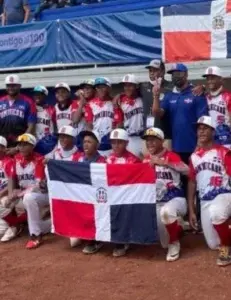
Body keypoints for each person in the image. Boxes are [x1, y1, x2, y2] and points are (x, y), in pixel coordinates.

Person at [188, 116, 231, 266]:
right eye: (199, 128)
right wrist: (192, 210)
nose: (201, 131)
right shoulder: (194, 157)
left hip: (223, 194)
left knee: (217, 214)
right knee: (213, 244)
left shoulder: (223, 152)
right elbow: (192, 183)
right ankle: (226, 237)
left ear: (213, 131)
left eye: (205, 128)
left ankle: (226, 249)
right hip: (205, 200)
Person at [142, 127, 189, 261]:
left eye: (153, 140)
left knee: (166, 213)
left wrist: (164, 163)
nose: (149, 143)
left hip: (176, 199)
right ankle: (178, 227)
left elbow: (187, 171)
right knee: (163, 243)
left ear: (161, 141)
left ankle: (175, 244)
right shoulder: (145, 160)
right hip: (157, 202)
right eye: (147, 140)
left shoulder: (172, 155)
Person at [152, 63, 208, 165]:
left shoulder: (196, 93)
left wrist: (200, 144)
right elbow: (157, 113)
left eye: (178, 74)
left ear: (186, 74)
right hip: (176, 147)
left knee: (194, 178)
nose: (175, 77)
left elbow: (203, 122)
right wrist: (156, 96)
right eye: (173, 75)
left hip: (195, 146)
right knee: (180, 178)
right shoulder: (169, 96)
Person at [5, 133, 49, 249]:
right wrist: (10, 193)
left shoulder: (39, 159)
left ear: (32, 146)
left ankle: (35, 236)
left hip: (43, 195)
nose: (22, 147)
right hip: (25, 195)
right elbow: (11, 177)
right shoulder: (16, 159)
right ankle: (17, 224)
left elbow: (37, 185)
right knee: (5, 202)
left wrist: (18, 193)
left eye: (25, 144)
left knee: (29, 197)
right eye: (20, 145)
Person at [46, 125, 81, 248]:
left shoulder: (79, 156)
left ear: (73, 139)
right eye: (61, 137)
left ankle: (76, 229)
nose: (63, 139)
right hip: (59, 192)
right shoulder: (55, 154)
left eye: (66, 137)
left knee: (74, 242)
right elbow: (43, 162)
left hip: (75, 193)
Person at [106, 128, 140, 257]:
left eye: (119, 142)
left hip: (127, 195)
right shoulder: (108, 159)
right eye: (113, 142)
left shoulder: (133, 160)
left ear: (126, 143)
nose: (116, 145)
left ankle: (122, 240)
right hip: (112, 194)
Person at [75, 130, 105, 254]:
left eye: (89, 142)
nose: (86, 144)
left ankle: (96, 240)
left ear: (97, 145)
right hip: (82, 197)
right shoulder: (79, 160)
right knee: (73, 242)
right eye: (84, 142)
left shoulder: (102, 161)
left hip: (97, 199)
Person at [84, 77, 123, 157]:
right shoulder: (90, 104)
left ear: (109, 88)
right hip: (97, 143)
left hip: (111, 142)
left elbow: (119, 123)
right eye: (98, 87)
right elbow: (89, 125)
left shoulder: (115, 103)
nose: (101, 89)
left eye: (103, 87)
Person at [0, 75, 37, 155]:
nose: (11, 88)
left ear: (19, 86)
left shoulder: (29, 102)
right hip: (2, 147)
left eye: (14, 85)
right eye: (8, 85)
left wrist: (18, 148)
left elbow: (31, 127)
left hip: (21, 148)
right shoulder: (0, 101)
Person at [0, 136, 26, 242]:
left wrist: (1, 193)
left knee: (3, 203)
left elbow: (13, 184)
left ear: (3, 148)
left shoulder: (9, 161)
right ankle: (13, 224)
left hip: (8, 194)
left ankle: (15, 223)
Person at [114, 74, 144, 158]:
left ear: (136, 86)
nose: (127, 88)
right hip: (131, 138)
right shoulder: (120, 101)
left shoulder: (143, 97)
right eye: (125, 85)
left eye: (130, 85)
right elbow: (119, 123)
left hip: (144, 136)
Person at [202, 66, 231, 149]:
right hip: (210, 140)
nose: (210, 81)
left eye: (213, 78)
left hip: (226, 140)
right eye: (208, 79)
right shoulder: (205, 97)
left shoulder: (228, 97)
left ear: (221, 79)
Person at [32, 85, 57, 155]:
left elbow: (56, 127)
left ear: (45, 96)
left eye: (39, 94)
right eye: (35, 94)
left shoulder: (51, 109)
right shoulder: (30, 108)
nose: (37, 96)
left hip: (48, 143)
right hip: (34, 143)